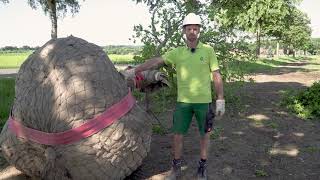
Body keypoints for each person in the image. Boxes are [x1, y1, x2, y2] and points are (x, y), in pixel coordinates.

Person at [122, 13, 225, 180]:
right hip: (183, 103)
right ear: (184, 31)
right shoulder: (177, 53)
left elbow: (216, 74)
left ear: (199, 31)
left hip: (203, 103)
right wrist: (135, 70)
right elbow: (156, 61)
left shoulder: (208, 51)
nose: (192, 31)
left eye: (195, 28)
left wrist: (220, 99)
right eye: (189, 28)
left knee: (205, 135)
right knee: (177, 135)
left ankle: (202, 168)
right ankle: (176, 169)